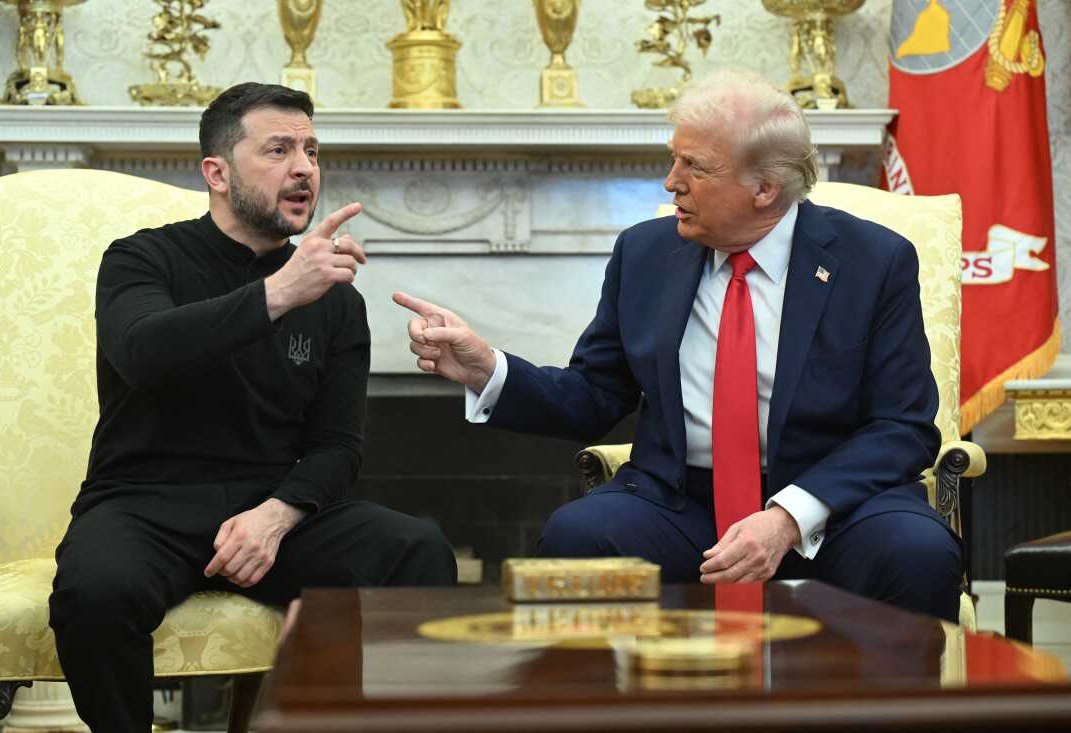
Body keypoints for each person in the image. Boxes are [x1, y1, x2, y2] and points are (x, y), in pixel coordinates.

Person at [395, 69, 961, 622]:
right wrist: (485, 369)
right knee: (578, 536)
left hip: (834, 503)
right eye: (675, 158)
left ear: (765, 188)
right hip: (681, 501)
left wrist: (789, 515)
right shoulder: (645, 254)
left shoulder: (873, 261)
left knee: (917, 552)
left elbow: (902, 427)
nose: (671, 182)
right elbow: (594, 393)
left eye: (696, 167)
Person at [49, 82, 457, 733]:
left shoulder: (334, 298)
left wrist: (277, 514)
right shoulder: (141, 258)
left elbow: (337, 446)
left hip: (273, 508)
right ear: (217, 172)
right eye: (279, 149)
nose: (304, 168)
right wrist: (278, 292)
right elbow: (142, 351)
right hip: (145, 501)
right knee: (93, 593)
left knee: (418, 547)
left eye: (312, 151)